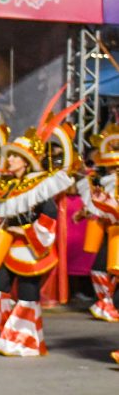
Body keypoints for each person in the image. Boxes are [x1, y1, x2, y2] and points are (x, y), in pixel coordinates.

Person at [0, 111, 75, 357]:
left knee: (27, 294)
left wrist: (23, 230)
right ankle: (10, 333)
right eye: (10, 156)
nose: (10, 160)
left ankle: (27, 341)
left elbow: (49, 217)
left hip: (32, 247)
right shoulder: (6, 184)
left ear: (26, 162)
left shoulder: (40, 183)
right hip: (8, 247)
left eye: (15, 157)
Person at [77, 127, 119, 321]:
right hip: (110, 232)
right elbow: (100, 207)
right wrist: (83, 213)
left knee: (107, 269)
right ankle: (108, 302)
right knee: (100, 269)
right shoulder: (105, 182)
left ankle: (109, 303)